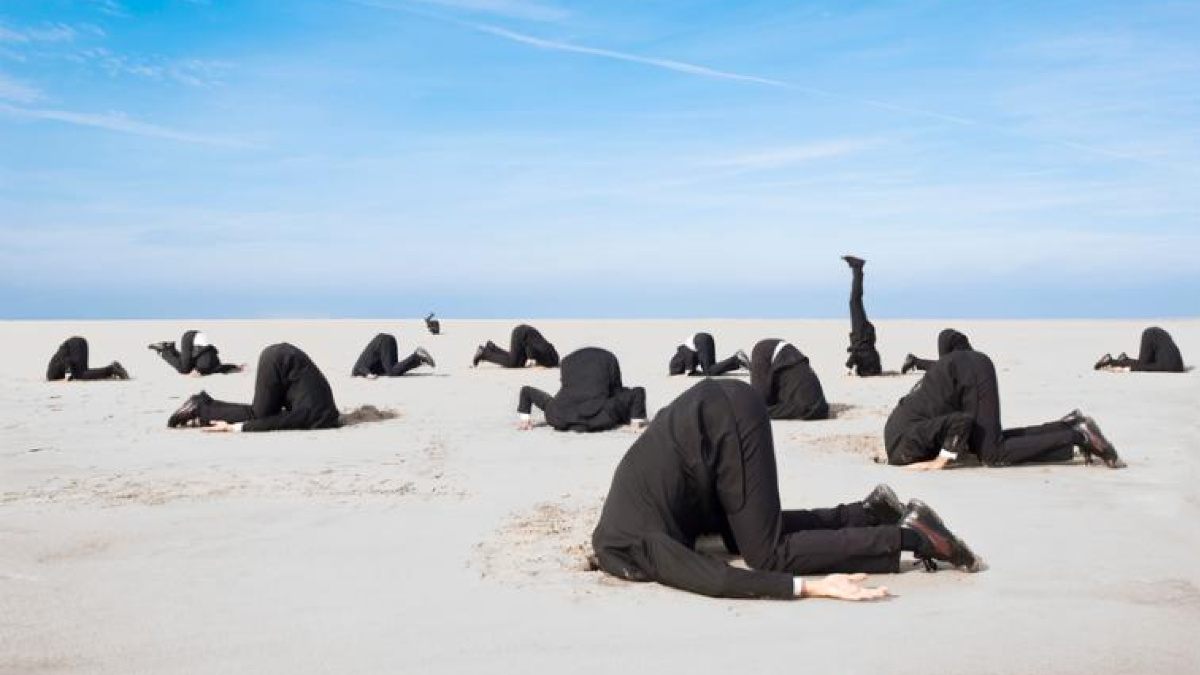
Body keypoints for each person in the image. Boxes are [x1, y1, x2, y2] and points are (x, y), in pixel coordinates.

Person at [590, 378, 982, 600]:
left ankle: (913, 537)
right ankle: (866, 513)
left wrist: (811, 587)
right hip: (711, 412)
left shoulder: (639, 545)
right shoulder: (623, 517)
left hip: (723, 422)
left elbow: (714, 579)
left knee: (767, 554)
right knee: (741, 534)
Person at [884, 350, 1124, 469]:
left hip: (969, 374)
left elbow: (959, 422)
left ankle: (1079, 436)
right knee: (988, 443)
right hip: (962, 370)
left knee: (992, 453)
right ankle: (1069, 425)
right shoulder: (897, 439)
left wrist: (941, 460)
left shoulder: (906, 446)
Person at [166, 343, 339, 432]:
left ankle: (206, 413)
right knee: (259, 415)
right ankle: (200, 406)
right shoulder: (314, 416)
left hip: (286, 358)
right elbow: (278, 422)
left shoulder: (326, 412)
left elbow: (282, 418)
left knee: (264, 411)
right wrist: (237, 428)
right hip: (279, 361)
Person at [517, 347, 647, 432]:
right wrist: (636, 422)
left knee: (548, 402)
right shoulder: (607, 361)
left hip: (561, 416)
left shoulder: (555, 408)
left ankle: (524, 420)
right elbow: (638, 392)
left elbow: (527, 391)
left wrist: (525, 418)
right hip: (598, 417)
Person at [749, 339, 829, 420]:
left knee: (755, 410)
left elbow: (760, 399)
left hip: (806, 409)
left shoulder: (760, 351)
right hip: (821, 407)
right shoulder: (792, 357)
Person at [843, 255, 883, 377]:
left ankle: (857, 268)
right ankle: (857, 267)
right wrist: (848, 367)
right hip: (861, 333)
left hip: (864, 334)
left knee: (855, 301)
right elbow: (854, 356)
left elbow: (856, 356)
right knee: (855, 301)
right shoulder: (863, 356)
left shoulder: (873, 361)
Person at [148, 330, 244, 376]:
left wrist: (236, 367)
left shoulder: (213, 366)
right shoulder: (208, 367)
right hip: (191, 338)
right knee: (184, 369)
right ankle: (165, 350)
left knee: (186, 366)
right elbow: (221, 367)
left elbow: (223, 367)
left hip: (196, 339)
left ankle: (169, 348)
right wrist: (236, 367)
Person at [1094, 327, 1185, 373]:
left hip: (1155, 336)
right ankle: (1112, 361)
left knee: (1143, 364)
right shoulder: (1170, 366)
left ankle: (1115, 360)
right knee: (1143, 364)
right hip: (1158, 337)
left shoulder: (1168, 366)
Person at [472, 324, 560, 368]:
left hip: (525, 333)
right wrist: (532, 361)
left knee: (518, 362)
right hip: (521, 335)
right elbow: (532, 350)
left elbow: (543, 347)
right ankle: (484, 354)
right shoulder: (548, 357)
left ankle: (492, 348)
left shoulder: (553, 356)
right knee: (512, 363)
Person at [351, 333, 435, 378]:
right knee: (395, 369)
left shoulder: (356, 370)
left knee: (391, 372)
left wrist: (369, 375)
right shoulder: (372, 367)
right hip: (387, 340)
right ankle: (420, 360)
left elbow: (360, 367)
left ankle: (417, 356)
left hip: (382, 342)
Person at [45, 336, 129, 381]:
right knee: (83, 373)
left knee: (80, 375)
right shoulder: (53, 369)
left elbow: (65, 362)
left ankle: (111, 369)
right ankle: (111, 369)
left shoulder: (52, 374)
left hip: (74, 345)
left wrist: (68, 377)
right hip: (78, 343)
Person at [668, 332, 749, 376]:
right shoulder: (683, 351)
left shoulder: (683, 353)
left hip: (700, 340)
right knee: (713, 369)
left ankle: (736, 359)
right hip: (704, 339)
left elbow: (690, 357)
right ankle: (739, 363)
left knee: (708, 371)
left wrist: (689, 370)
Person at [901, 328, 973, 374]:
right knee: (945, 369)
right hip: (951, 339)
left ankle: (915, 361)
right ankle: (914, 361)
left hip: (949, 337)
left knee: (945, 368)